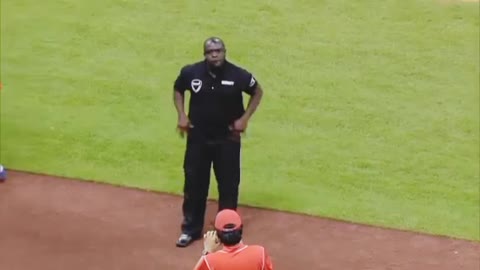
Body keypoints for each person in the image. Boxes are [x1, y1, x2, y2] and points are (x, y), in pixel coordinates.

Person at [173, 37, 264, 247]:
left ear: (225, 51)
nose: (214, 54)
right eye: (210, 51)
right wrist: (181, 115)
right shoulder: (191, 73)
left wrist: (245, 118)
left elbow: (257, 91)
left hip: (227, 138)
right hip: (198, 138)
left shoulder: (238, 75)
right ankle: (190, 229)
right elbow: (178, 89)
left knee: (229, 185)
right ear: (204, 54)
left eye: (218, 50)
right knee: (194, 184)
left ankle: (228, 230)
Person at [193, 209, 274, 270]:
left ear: (217, 235)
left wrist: (207, 251)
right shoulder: (259, 253)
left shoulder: (210, 261)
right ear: (241, 229)